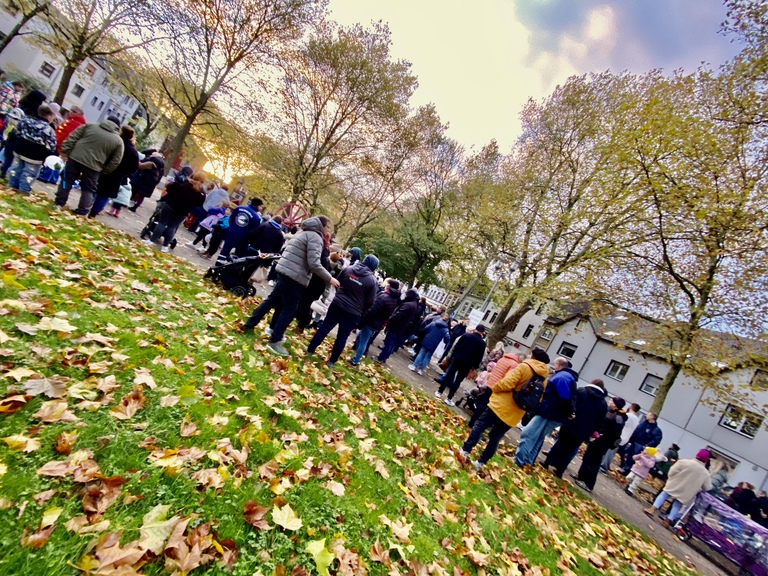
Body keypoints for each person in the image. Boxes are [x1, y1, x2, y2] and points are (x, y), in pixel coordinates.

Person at [242, 216, 340, 357]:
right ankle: (275, 340)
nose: (328, 230)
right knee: (290, 307)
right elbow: (314, 263)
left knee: (272, 300)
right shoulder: (315, 237)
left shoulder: (303, 232)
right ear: (321, 225)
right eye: (328, 227)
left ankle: (250, 323)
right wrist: (329, 278)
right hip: (294, 276)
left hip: (284, 270)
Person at [459, 348, 551, 472]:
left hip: (501, 405)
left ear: (533, 357)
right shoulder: (544, 379)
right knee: (496, 437)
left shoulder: (524, 367)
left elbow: (508, 383)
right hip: (515, 413)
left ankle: (465, 450)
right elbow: (538, 399)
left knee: (480, 425)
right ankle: (481, 463)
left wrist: (495, 388)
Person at [306, 254, 379, 368]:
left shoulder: (349, 269)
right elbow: (370, 301)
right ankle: (331, 362)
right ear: (374, 266)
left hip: (337, 304)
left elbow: (338, 283)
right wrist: (361, 309)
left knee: (325, 327)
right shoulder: (372, 281)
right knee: (342, 337)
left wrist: (340, 294)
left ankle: (310, 350)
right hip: (353, 312)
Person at [514, 356, 578, 467]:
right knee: (538, 437)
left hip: (549, 411)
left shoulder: (562, 377)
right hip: (554, 413)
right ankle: (528, 461)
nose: (553, 366)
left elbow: (564, 398)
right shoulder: (568, 377)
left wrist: (569, 412)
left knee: (529, 433)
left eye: (555, 364)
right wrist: (570, 412)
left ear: (559, 365)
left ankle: (519, 460)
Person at [54, 116, 124, 215]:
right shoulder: (118, 141)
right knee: (88, 189)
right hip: (95, 166)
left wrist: (65, 152)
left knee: (67, 180)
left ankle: (59, 203)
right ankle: (82, 211)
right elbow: (116, 160)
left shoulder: (89, 126)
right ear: (117, 127)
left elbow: (72, 137)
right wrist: (105, 170)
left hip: (75, 158)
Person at [542, 379, 608, 478]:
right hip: (584, 431)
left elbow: (571, 403)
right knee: (571, 450)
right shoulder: (603, 403)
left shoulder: (581, 391)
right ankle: (560, 470)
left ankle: (548, 462)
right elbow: (600, 420)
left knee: (560, 444)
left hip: (570, 423)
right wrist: (594, 430)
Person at [643, 449, 713, 527]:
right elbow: (707, 487)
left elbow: (672, 471)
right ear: (706, 460)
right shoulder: (705, 473)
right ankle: (668, 521)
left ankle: (652, 509)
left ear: (697, 455)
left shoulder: (684, 462)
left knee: (663, 495)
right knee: (677, 505)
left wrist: (671, 479)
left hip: (675, 484)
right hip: (687, 492)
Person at [573, 397, 627, 492]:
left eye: (612, 401)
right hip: (596, 439)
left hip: (602, 442)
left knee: (594, 463)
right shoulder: (610, 412)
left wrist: (603, 435)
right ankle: (581, 476)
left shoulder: (618, 417)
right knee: (587, 458)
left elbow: (615, 433)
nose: (609, 401)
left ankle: (589, 484)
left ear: (616, 404)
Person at [143, 170, 205, 253]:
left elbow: (170, 187)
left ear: (194, 176)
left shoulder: (185, 183)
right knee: (172, 227)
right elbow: (199, 204)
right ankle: (165, 246)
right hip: (183, 211)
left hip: (171, 204)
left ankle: (151, 240)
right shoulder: (201, 193)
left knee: (162, 223)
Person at [88, 125, 140, 217]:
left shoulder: (115, 142)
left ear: (121, 132)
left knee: (94, 190)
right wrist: (124, 172)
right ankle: (93, 213)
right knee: (104, 195)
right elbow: (134, 167)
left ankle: (85, 207)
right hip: (117, 176)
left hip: (103, 170)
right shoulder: (132, 151)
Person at [6, 104, 56, 194]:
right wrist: (48, 155)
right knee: (29, 174)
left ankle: (11, 187)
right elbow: (51, 145)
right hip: (35, 156)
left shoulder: (25, 120)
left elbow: (16, 132)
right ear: (48, 116)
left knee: (16, 169)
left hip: (19, 149)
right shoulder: (48, 129)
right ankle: (23, 192)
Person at [467, 352, 526, 428]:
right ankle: (478, 426)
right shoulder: (514, 365)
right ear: (520, 359)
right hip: (497, 388)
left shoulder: (503, 359)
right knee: (489, 410)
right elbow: (509, 379)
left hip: (490, 383)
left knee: (482, 404)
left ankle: (471, 422)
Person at [350, 279, 401, 366]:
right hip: (377, 323)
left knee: (363, 341)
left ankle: (355, 360)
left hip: (371, 322)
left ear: (389, 286)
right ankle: (358, 355)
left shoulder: (384, 297)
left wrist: (363, 320)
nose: (385, 285)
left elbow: (372, 310)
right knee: (359, 337)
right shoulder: (393, 299)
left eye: (387, 284)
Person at [435, 325, 488, 406]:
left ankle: (439, 391)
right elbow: (479, 357)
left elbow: (456, 346)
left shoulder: (466, 335)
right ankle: (449, 398)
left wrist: (452, 356)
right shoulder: (482, 344)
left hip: (457, 359)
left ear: (475, 329)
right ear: (482, 332)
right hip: (468, 363)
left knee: (449, 375)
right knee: (458, 380)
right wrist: (475, 367)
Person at [376, 289, 421, 364]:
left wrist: (389, 319)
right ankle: (384, 357)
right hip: (401, 326)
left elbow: (398, 314)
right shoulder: (414, 304)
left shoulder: (408, 305)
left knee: (389, 343)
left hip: (396, 325)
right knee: (392, 343)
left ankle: (381, 358)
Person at [216, 196, 263, 262]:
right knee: (238, 255)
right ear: (257, 205)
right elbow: (254, 231)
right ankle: (230, 266)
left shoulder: (239, 208)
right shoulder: (256, 217)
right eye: (260, 206)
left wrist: (232, 228)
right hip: (243, 238)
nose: (261, 208)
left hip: (231, 233)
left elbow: (231, 219)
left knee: (224, 251)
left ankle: (218, 264)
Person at [601, 402, 640, 473]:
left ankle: (604, 467)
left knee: (609, 451)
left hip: (620, 435)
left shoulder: (628, 416)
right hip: (625, 438)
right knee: (611, 452)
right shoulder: (637, 419)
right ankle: (604, 465)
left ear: (631, 407)